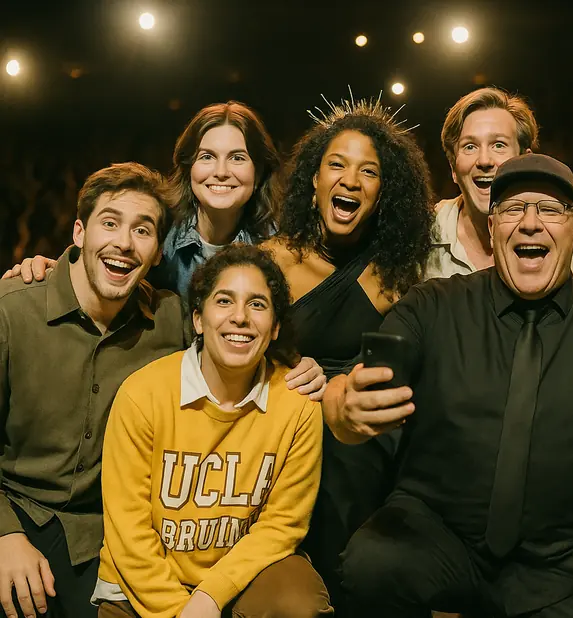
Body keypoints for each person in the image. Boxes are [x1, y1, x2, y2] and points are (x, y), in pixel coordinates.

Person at [325, 153, 573, 617]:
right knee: (371, 565)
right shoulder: (434, 307)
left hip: (565, 561)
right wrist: (341, 408)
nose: (530, 223)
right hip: (435, 536)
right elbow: (349, 387)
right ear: (492, 230)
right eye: (513, 209)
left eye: (549, 209)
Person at [258, 95, 436, 603]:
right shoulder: (270, 262)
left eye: (369, 172)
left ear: (384, 194)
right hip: (286, 431)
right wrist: (283, 370)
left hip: (369, 445)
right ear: (313, 182)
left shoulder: (400, 273)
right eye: (336, 164)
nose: (350, 180)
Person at [93, 245, 332, 618]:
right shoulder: (143, 395)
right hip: (145, 584)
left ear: (275, 328)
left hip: (243, 577)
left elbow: (282, 525)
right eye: (224, 301)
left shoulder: (297, 404)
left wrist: (209, 597)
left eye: (257, 305)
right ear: (199, 320)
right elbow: (129, 533)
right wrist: (181, 611)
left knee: (297, 604)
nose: (240, 317)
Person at [0, 163, 187, 618]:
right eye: (110, 222)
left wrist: (303, 367)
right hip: (15, 509)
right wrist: (4, 536)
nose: (124, 242)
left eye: (142, 230)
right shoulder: (13, 310)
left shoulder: (171, 321)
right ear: (79, 233)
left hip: (106, 529)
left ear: (157, 253)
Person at [4, 102, 282, 299]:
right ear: (188, 169)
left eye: (237, 157)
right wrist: (54, 271)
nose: (221, 172)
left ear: (258, 173)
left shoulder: (279, 247)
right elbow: (102, 259)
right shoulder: (158, 227)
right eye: (207, 156)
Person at [428, 87, 573, 284]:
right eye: (470, 146)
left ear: (525, 159)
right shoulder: (424, 234)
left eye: (499, 145)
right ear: (453, 169)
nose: (484, 160)